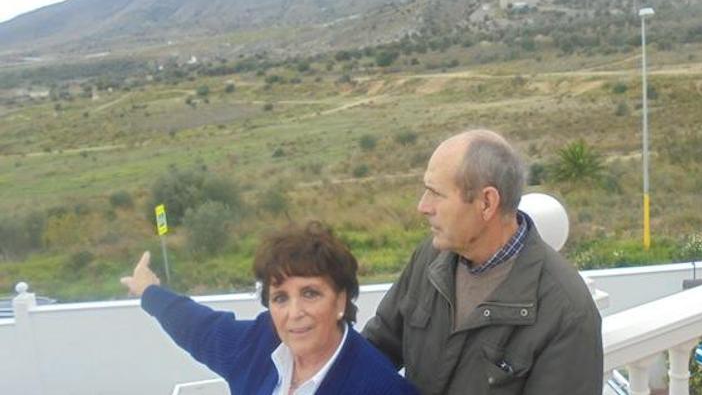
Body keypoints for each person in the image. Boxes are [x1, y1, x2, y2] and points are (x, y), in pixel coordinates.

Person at [363, 129, 603, 394]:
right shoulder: (430, 259)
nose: (423, 206)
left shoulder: (567, 311)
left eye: (435, 193)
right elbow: (376, 349)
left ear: (487, 203)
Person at [121, 223, 418, 395]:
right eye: (280, 298)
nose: (294, 312)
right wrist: (150, 292)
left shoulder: (380, 387)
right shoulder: (258, 345)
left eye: (310, 293)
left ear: (340, 301)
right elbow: (200, 329)